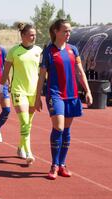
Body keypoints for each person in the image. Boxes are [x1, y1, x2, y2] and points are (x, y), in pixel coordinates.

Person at [35, 19, 93, 179]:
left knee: (66, 130)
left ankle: (62, 164)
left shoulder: (73, 50)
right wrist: (37, 96)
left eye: (69, 31)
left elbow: (80, 72)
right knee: (58, 127)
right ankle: (54, 164)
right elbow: (41, 77)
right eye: (65, 31)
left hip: (72, 95)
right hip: (55, 95)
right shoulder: (48, 52)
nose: (68, 33)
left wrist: (87, 90)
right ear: (56, 31)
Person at [0, 23, 42, 165]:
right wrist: (1, 89)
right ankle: (29, 151)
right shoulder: (14, 51)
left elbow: (42, 73)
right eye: (31, 34)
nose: (34, 36)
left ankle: (20, 146)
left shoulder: (39, 51)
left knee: (28, 123)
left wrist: (41, 94)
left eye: (35, 34)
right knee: (24, 121)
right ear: (23, 35)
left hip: (33, 91)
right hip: (18, 90)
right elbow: (5, 72)